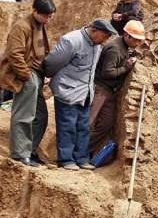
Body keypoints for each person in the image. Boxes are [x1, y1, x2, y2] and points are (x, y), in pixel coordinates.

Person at [44, 19, 118, 171]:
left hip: (85, 93)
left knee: (83, 127)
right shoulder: (71, 40)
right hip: (68, 91)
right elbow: (52, 63)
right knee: (67, 126)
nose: (105, 40)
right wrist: (56, 84)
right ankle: (66, 160)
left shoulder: (96, 45)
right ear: (94, 30)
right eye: (104, 36)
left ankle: (81, 158)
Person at [0, 0, 56, 167]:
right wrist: (26, 76)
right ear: (35, 11)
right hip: (26, 74)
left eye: (50, 16)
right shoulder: (21, 27)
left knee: (40, 116)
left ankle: (29, 151)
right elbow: (14, 55)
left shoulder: (40, 26)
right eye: (45, 16)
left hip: (36, 75)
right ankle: (19, 154)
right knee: (24, 115)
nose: (48, 19)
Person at [89, 20, 145, 155]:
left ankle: (87, 151)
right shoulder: (115, 48)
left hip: (109, 92)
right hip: (101, 89)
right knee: (89, 121)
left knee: (105, 125)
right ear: (127, 36)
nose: (137, 44)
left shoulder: (124, 47)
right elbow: (107, 72)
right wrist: (126, 67)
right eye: (136, 40)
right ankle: (76, 154)